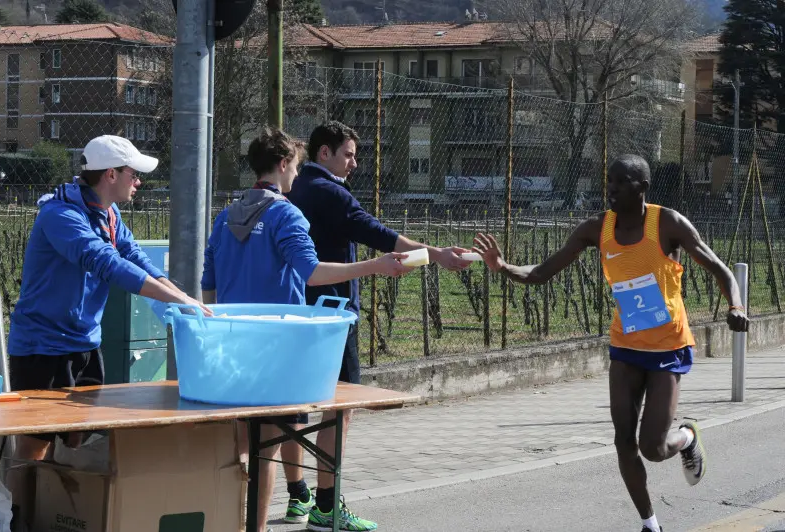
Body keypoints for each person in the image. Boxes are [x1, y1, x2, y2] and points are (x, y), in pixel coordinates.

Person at [472, 154, 750, 532]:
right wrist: (503, 267)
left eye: (620, 182)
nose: (611, 188)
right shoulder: (596, 228)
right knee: (623, 440)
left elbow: (719, 268)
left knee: (653, 448)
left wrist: (735, 305)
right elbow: (541, 272)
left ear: (642, 188)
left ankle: (686, 438)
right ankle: (650, 524)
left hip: (668, 347)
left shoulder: (667, 223)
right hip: (625, 347)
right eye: (609, 181)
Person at [200, 127, 412, 532]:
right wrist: (374, 264)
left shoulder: (224, 217)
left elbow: (209, 284)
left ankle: (231, 518)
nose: (296, 176)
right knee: (266, 443)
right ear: (282, 165)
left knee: (239, 445)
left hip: (232, 343)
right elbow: (312, 273)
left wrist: (223, 326)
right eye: (295, 166)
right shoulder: (285, 214)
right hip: (279, 347)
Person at [7, 135, 209, 516]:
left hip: (85, 344)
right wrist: (180, 300)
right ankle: (18, 517)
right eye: (134, 174)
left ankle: (65, 513)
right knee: (35, 445)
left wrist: (186, 302)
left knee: (77, 439)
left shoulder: (110, 216)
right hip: (40, 349)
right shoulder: (59, 215)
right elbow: (107, 264)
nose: (139, 182)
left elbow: (137, 260)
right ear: (111, 174)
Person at [286, 121, 472, 531]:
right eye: (348, 154)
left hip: (297, 310)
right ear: (324, 153)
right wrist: (437, 254)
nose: (354, 163)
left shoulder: (295, 189)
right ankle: (326, 507)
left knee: (293, 406)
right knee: (341, 409)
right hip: (333, 314)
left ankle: (297, 493)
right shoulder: (329, 192)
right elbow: (380, 235)